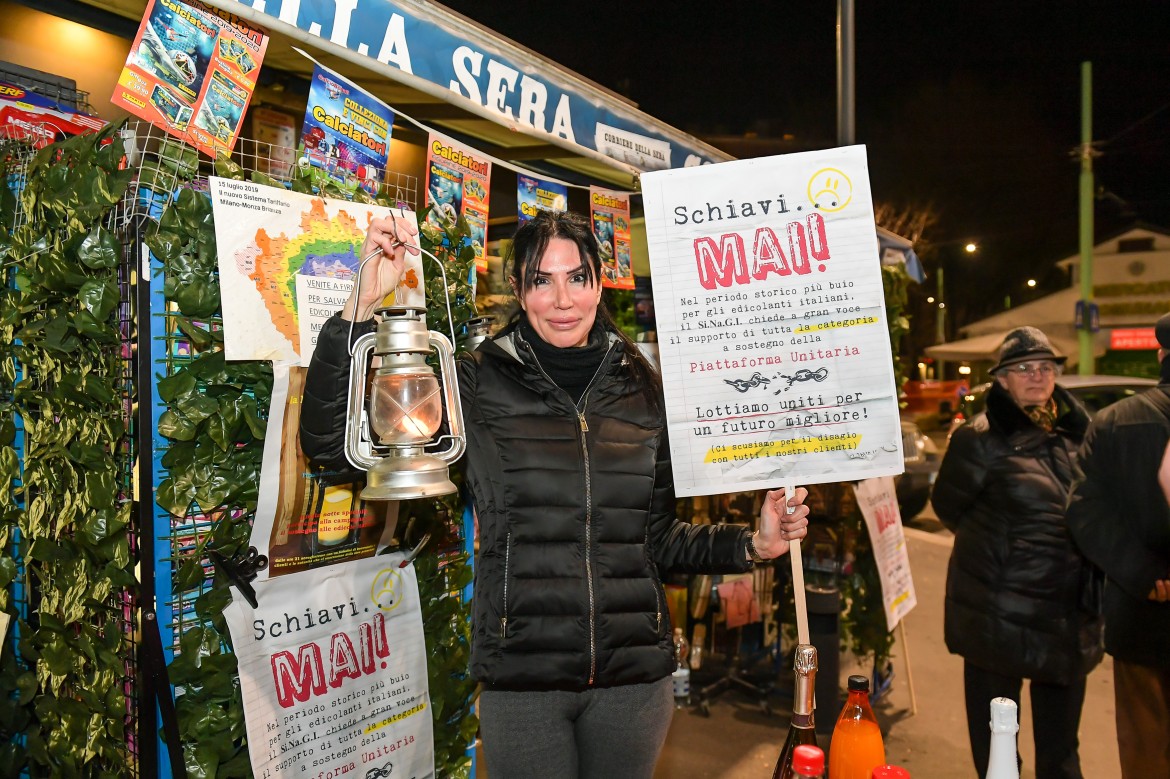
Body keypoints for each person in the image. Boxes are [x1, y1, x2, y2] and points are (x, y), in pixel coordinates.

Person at [299, 209, 811, 778]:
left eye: (578, 277)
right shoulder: (476, 383)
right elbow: (328, 445)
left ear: (598, 284)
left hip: (634, 685)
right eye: (543, 280)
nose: (563, 299)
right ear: (519, 288)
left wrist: (755, 544)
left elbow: (659, 540)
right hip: (524, 685)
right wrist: (361, 307)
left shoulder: (642, 390)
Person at [930, 326, 1103, 779]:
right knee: (998, 755)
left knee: (1061, 756)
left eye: (1046, 367)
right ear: (1002, 379)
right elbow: (949, 508)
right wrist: (1006, 553)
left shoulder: (1080, 435)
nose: (1036, 376)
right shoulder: (978, 440)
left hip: (1066, 620)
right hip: (996, 619)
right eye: (1023, 368)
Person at [1066, 312, 1170, 778]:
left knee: (1146, 744)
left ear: (1161, 353)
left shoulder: (1115, 422)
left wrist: (1144, 575)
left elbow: (1085, 511)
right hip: (1142, 616)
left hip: (1143, 616)